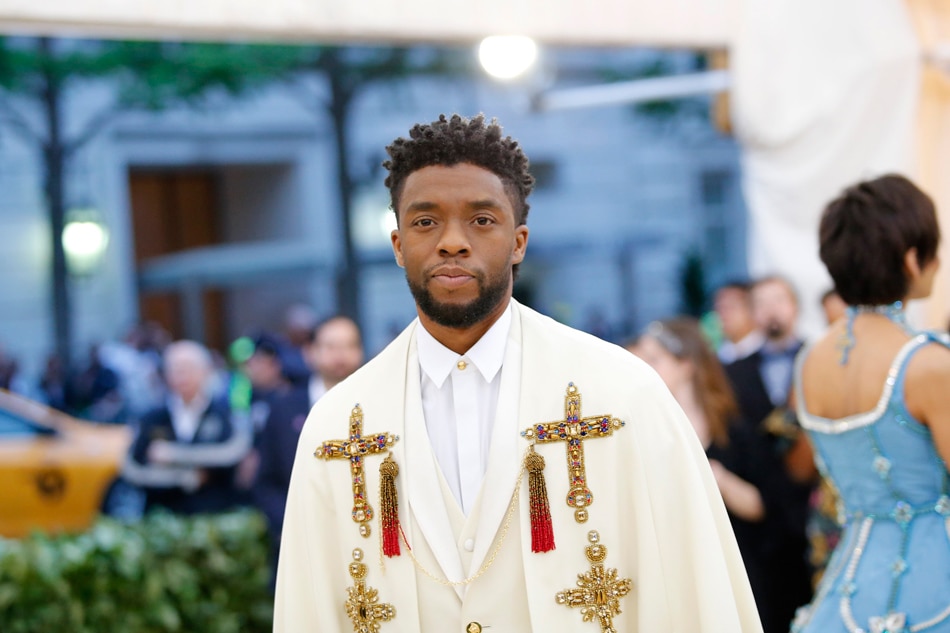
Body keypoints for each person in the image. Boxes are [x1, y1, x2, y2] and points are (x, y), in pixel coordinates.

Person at [274, 114, 762, 632]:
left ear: (519, 241)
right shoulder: (334, 428)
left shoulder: (625, 395)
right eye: (425, 222)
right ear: (398, 246)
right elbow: (309, 608)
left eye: (481, 220)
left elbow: (696, 589)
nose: (452, 242)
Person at [790, 174, 950, 633]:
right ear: (911, 259)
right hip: (934, 591)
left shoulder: (808, 362)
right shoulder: (927, 363)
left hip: (845, 591)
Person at [630, 317, 773, 626]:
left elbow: (762, 507)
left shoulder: (734, 430)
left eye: (654, 359)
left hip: (735, 568)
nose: (643, 367)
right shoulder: (637, 432)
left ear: (686, 366)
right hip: (671, 574)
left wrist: (717, 478)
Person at [724, 274, 814, 633]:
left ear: (794, 306)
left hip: (812, 502)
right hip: (762, 515)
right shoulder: (733, 373)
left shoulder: (818, 361)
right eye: (761, 303)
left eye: (778, 300)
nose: (771, 310)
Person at [254, 315, 364, 582]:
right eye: (331, 346)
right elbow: (265, 482)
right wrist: (293, 526)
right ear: (309, 352)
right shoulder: (282, 408)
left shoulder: (380, 404)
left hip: (366, 549)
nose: (341, 355)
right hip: (299, 550)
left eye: (349, 345)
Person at [122, 340, 251, 515]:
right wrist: (181, 478)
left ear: (206, 371)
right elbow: (134, 466)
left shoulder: (225, 414)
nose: (182, 376)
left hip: (215, 516)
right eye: (175, 369)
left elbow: (234, 456)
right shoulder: (151, 418)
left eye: (188, 368)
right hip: (162, 516)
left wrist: (172, 455)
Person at [714, 281, 764, 364]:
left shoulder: (768, 354)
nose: (724, 314)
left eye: (731, 307)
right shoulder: (717, 359)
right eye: (719, 308)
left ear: (752, 310)